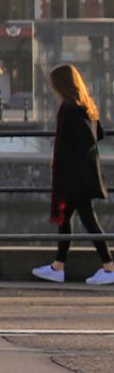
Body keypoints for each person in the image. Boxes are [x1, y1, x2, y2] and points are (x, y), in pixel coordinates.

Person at [33, 64, 114, 285]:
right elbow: (98, 134)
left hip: (74, 177)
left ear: (62, 84)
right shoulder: (86, 106)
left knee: (83, 220)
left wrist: (65, 158)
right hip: (82, 176)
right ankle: (59, 266)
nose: (51, 87)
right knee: (69, 219)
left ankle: (108, 268)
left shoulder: (69, 108)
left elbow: (86, 138)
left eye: (53, 83)